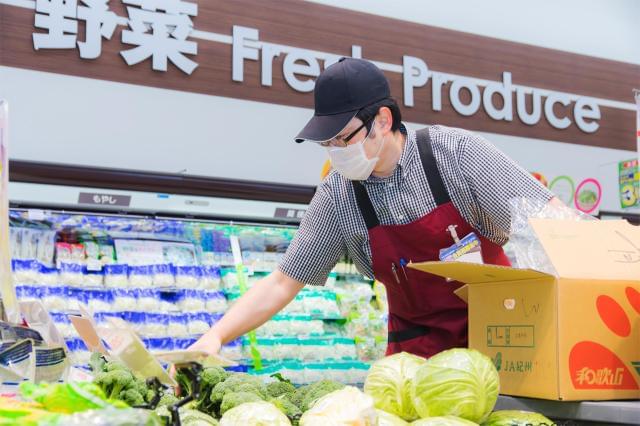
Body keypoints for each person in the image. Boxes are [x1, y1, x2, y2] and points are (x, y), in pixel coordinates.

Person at [189, 58, 558, 358]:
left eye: (343, 137)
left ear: (382, 120)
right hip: (415, 358)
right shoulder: (338, 196)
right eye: (326, 143)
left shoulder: (456, 154)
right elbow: (285, 280)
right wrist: (216, 336)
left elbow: (551, 222)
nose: (335, 150)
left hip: (501, 343)